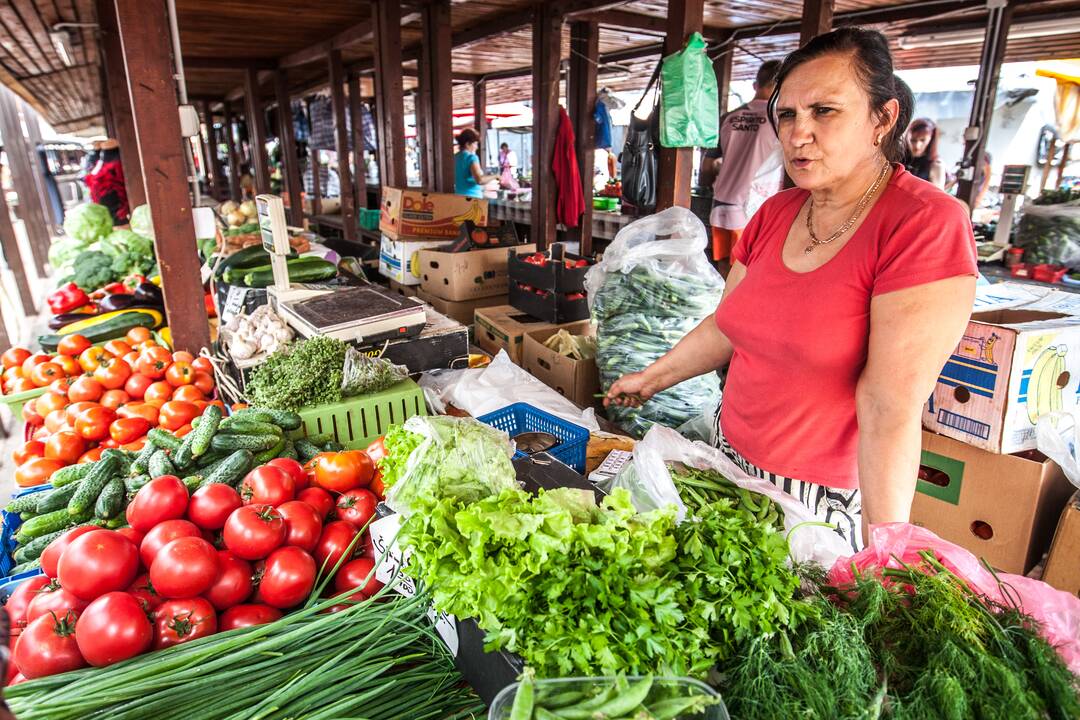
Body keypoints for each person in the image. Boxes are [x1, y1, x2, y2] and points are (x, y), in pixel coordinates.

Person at [606, 27, 977, 551]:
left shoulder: (924, 223)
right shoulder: (776, 213)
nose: (798, 134)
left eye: (825, 112)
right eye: (787, 114)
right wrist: (653, 377)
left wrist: (886, 548)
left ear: (883, 118)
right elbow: (728, 324)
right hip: (726, 459)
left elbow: (888, 406)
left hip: (819, 502)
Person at [705, 60, 785, 277]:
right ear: (780, 87)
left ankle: (721, 310)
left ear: (754, 85)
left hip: (721, 201)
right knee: (744, 270)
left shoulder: (729, 118)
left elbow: (707, 163)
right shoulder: (780, 121)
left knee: (722, 267)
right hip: (753, 205)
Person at [454, 128, 497, 198]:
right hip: (472, 198)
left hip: (458, 197)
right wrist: (496, 176)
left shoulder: (455, 157)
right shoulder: (471, 157)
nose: (477, 147)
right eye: (475, 144)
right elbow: (480, 180)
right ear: (467, 144)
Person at [903, 118, 944, 188]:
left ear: (931, 140)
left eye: (922, 140)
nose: (917, 146)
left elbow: (937, 197)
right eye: (913, 140)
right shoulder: (900, 158)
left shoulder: (936, 165)